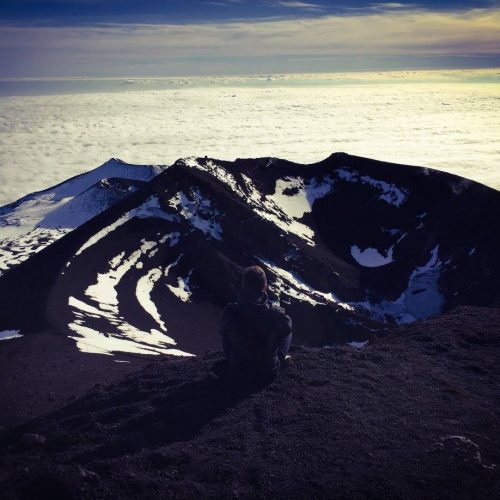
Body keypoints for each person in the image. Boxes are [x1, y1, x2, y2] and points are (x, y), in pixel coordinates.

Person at [215, 265, 292, 383]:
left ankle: (234, 359)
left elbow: (223, 333)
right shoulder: (275, 313)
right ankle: (280, 359)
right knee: (286, 330)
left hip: (237, 368)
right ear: (265, 286)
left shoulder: (231, 310)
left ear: (243, 286)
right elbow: (287, 329)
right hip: (267, 373)